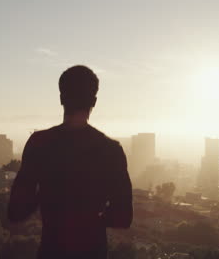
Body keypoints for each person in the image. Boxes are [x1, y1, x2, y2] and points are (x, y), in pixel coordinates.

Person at [8, 65, 133, 259]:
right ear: (94, 101)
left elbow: (16, 212)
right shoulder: (111, 150)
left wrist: (47, 194)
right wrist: (90, 217)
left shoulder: (39, 143)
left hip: (51, 251)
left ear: (61, 98)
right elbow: (123, 218)